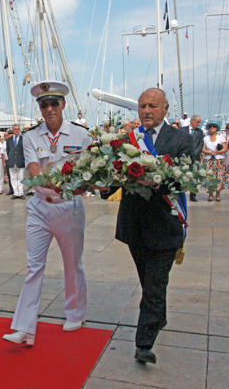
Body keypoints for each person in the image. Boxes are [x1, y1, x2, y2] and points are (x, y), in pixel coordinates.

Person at [101, 88, 193, 365]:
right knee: (148, 281)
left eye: (152, 106)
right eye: (142, 106)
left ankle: (144, 344)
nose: (146, 111)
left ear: (165, 109)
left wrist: (156, 182)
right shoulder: (128, 139)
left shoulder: (181, 139)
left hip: (166, 224)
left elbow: (186, 178)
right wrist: (103, 186)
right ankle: (158, 316)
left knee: (154, 284)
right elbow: (114, 174)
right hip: (135, 225)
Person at [3, 80, 91, 346]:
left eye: (54, 103)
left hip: (68, 206)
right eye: (44, 104)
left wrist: (80, 186)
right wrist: (47, 182)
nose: (49, 108)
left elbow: (88, 169)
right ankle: (25, 328)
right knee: (33, 267)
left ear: (63, 105)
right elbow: (32, 167)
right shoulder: (31, 136)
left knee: (71, 263)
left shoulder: (81, 135)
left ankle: (75, 312)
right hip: (40, 207)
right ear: (39, 108)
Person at [202, 121, 229, 202]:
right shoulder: (205, 138)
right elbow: (203, 149)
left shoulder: (221, 138)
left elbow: (225, 148)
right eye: (210, 126)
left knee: (219, 177)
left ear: (217, 128)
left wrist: (218, 152)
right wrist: (210, 152)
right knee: (209, 177)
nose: (212, 128)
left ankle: (218, 194)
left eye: (214, 126)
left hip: (219, 160)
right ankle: (210, 194)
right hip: (208, 159)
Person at [181, 115, 204, 202]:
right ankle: (181, 192)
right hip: (184, 157)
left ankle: (193, 194)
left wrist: (195, 153)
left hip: (195, 157)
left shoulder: (200, 132)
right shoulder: (182, 130)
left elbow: (201, 143)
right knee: (182, 175)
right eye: (198, 122)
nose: (199, 124)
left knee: (194, 176)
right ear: (193, 121)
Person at [6, 124, 26, 200]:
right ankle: (15, 193)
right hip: (12, 161)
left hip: (20, 160)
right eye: (15, 129)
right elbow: (8, 150)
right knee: (13, 178)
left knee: (20, 177)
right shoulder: (9, 140)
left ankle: (20, 193)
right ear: (13, 130)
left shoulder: (23, 139)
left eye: (18, 129)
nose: (16, 130)